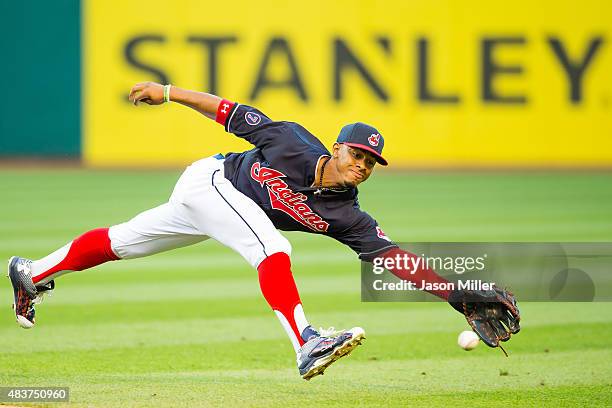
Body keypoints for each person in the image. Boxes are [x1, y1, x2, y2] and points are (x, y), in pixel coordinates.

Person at [8, 82, 520, 380]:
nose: (362, 165)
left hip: (217, 211)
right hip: (210, 179)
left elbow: (392, 257)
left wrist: (456, 293)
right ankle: (306, 343)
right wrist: (166, 92)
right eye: (357, 154)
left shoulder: (349, 216)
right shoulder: (292, 140)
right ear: (338, 148)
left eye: (371, 161)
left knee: (123, 241)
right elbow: (226, 111)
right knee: (272, 244)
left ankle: (30, 273)